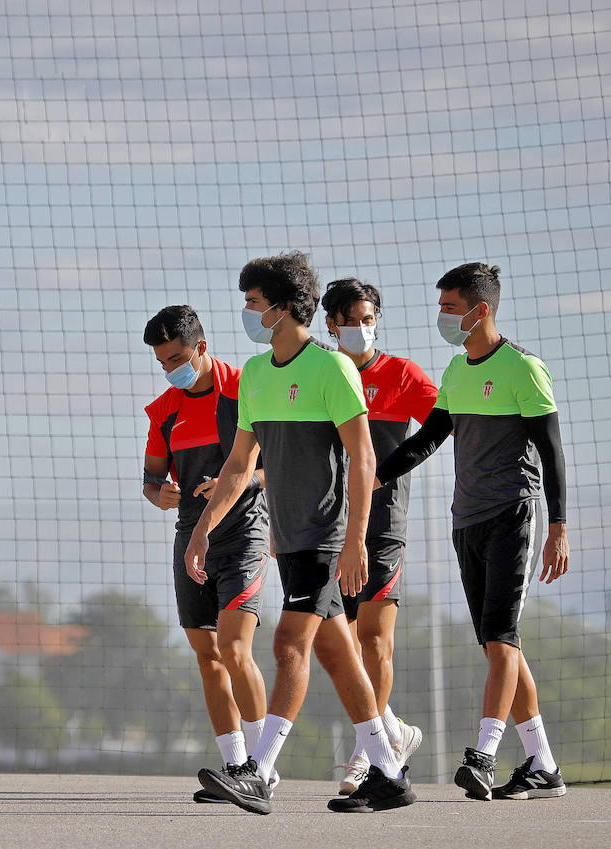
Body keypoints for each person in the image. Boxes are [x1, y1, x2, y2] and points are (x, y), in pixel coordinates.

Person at [189, 251, 417, 814]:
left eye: (253, 302)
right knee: (339, 656)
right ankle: (389, 772)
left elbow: (363, 459)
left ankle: (260, 772)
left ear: (283, 308)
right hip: (286, 537)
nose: (246, 311)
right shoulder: (257, 375)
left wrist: (357, 538)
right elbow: (241, 465)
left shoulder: (332, 368)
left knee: (288, 644)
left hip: (325, 533)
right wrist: (201, 531)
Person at [377, 262, 569, 801]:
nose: (441, 316)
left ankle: (482, 755)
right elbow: (428, 439)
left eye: (449, 308)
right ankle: (543, 763)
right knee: (495, 641)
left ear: (480, 310)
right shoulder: (458, 371)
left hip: (515, 513)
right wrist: (373, 476)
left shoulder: (524, 368)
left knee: (502, 635)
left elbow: (552, 453)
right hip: (468, 520)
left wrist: (558, 527)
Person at [141, 305, 270, 804]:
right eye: (161, 362)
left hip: (244, 535)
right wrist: (160, 494)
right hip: (190, 535)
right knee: (208, 656)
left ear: (202, 346)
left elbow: (279, 467)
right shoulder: (163, 410)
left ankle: (262, 766)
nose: (171, 368)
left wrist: (242, 483)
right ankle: (235, 764)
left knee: (237, 650)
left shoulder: (246, 389)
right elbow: (151, 480)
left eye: (176, 356)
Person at [321, 279, 432, 794]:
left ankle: (368, 756)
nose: (362, 329)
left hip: (384, 527)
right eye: (352, 320)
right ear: (330, 325)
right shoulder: (321, 372)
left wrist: (392, 468)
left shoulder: (402, 373)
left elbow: (446, 420)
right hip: (327, 528)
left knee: (373, 640)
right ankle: (392, 733)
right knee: (336, 644)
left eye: (370, 319)